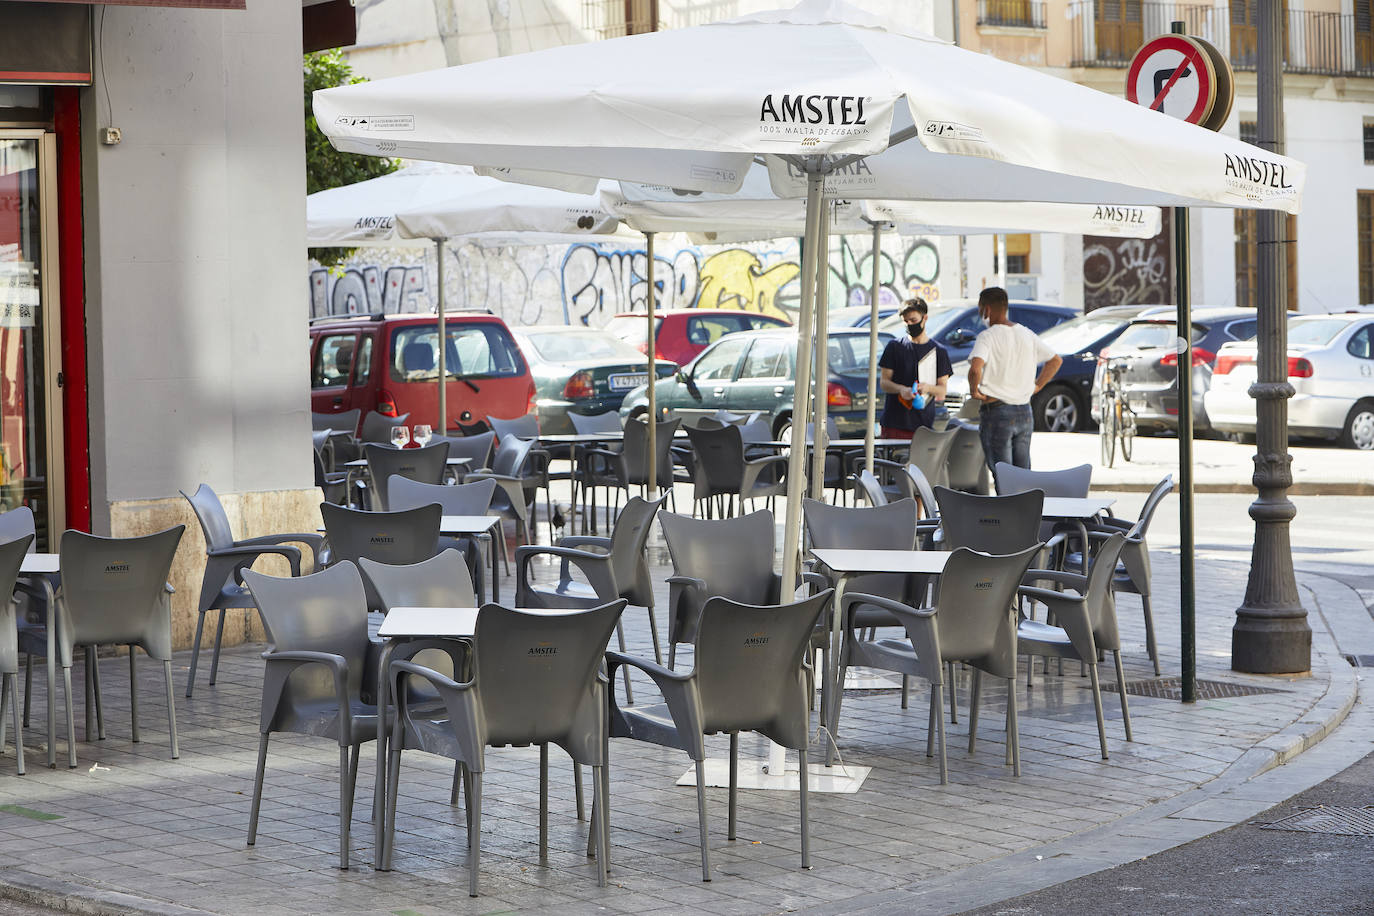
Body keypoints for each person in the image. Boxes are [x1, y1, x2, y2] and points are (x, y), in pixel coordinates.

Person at [966, 287, 1062, 490]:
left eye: (980, 309)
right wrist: (1037, 386)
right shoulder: (1026, 334)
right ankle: (1025, 518)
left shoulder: (988, 336)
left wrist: (974, 391)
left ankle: (1007, 518)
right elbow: (1055, 360)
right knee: (1023, 477)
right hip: (1024, 412)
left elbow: (975, 369)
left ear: (988, 309)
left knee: (1004, 477)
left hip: (997, 412)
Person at [877, 298, 952, 440]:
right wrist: (901, 389)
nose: (909, 325)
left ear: (925, 318)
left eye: (913, 320)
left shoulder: (939, 351)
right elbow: (884, 382)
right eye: (905, 321)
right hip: (895, 422)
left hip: (923, 423)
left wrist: (928, 388)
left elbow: (942, 389)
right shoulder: (895, 347)